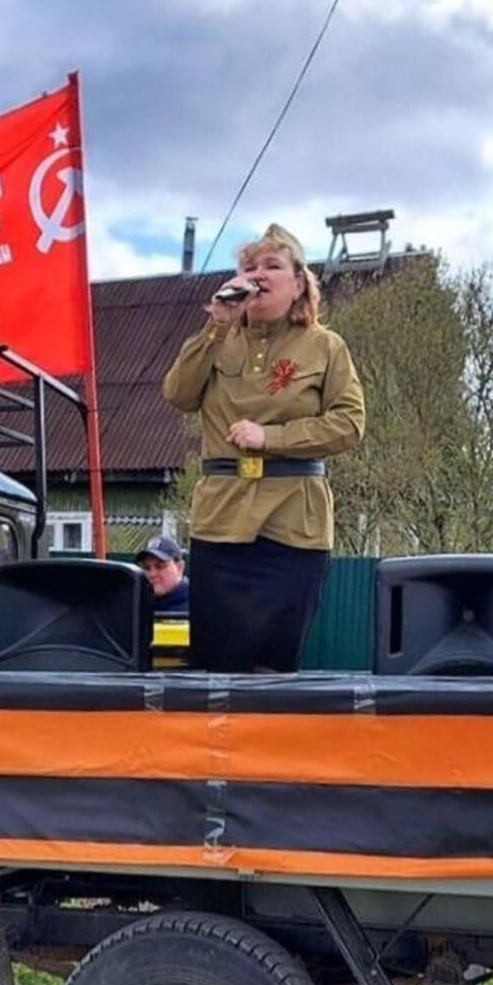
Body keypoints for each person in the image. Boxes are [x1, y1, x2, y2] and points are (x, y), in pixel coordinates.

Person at [162, 223, 365, 672]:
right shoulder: (218, 339)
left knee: (273, 668)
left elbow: (349, 424)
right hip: (221, 521)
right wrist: (216, 323)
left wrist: (271, 438)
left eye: (272, 266)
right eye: (249, 267)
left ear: (298, 285)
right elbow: (177, 394)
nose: (258, 274)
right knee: (214, 665)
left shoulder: (325, 347)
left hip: (293, 523)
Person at [135, 534, 190, 615]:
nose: (152, 574)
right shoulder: (136, 605)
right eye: (146, 568)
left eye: (160, 566)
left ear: (179, 567)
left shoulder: (200, 605)